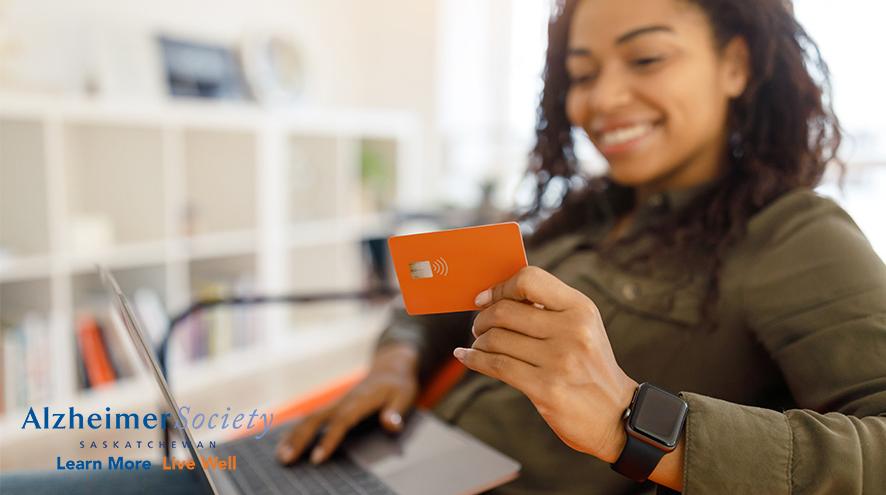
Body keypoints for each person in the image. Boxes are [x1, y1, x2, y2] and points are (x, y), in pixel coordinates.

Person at [276, 0, 886, 493]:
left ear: (736, 64)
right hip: (394, 461)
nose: (601, 100)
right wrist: (394, 363)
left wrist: (630, 420)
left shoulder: (796, 236)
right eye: (583, 73)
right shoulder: (584, 217)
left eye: (646, 58)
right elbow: (440, 306)